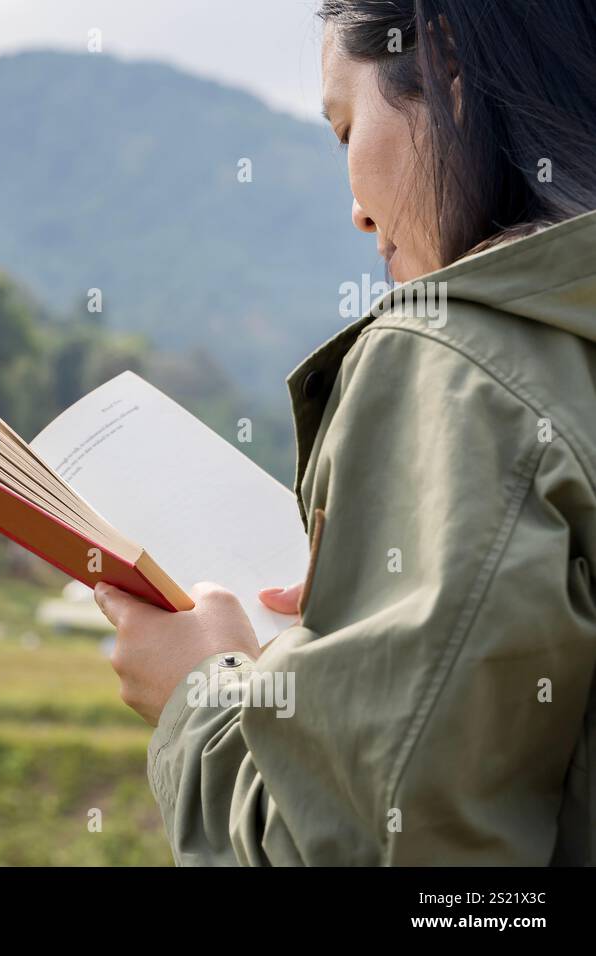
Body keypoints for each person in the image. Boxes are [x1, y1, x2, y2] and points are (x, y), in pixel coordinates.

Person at [94, 0, 596, 864]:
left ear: (447, 72)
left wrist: (200, 698)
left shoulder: (454, 363)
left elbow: (371, 851)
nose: (359, 216)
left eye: (344, 128)